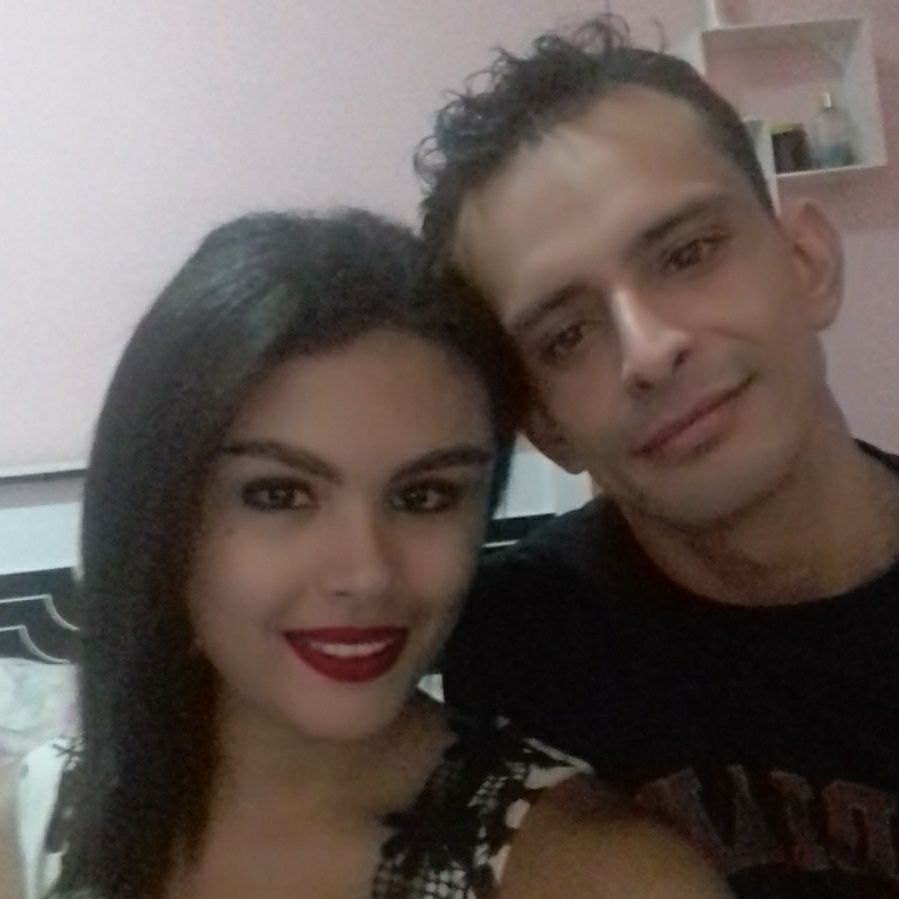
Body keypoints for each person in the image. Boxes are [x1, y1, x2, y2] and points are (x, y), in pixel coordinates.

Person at [0, 209, 731, 899]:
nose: (367, 573)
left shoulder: (602, 874)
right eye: (278, 494)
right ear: (160, 513)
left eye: (425, 496)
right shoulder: (35, 823)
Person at [416, 15, 899, 899]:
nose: (648, 350)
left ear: (806, 262)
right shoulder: (515, 642)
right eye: (566, 335)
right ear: (542, 423)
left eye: (687, 253)